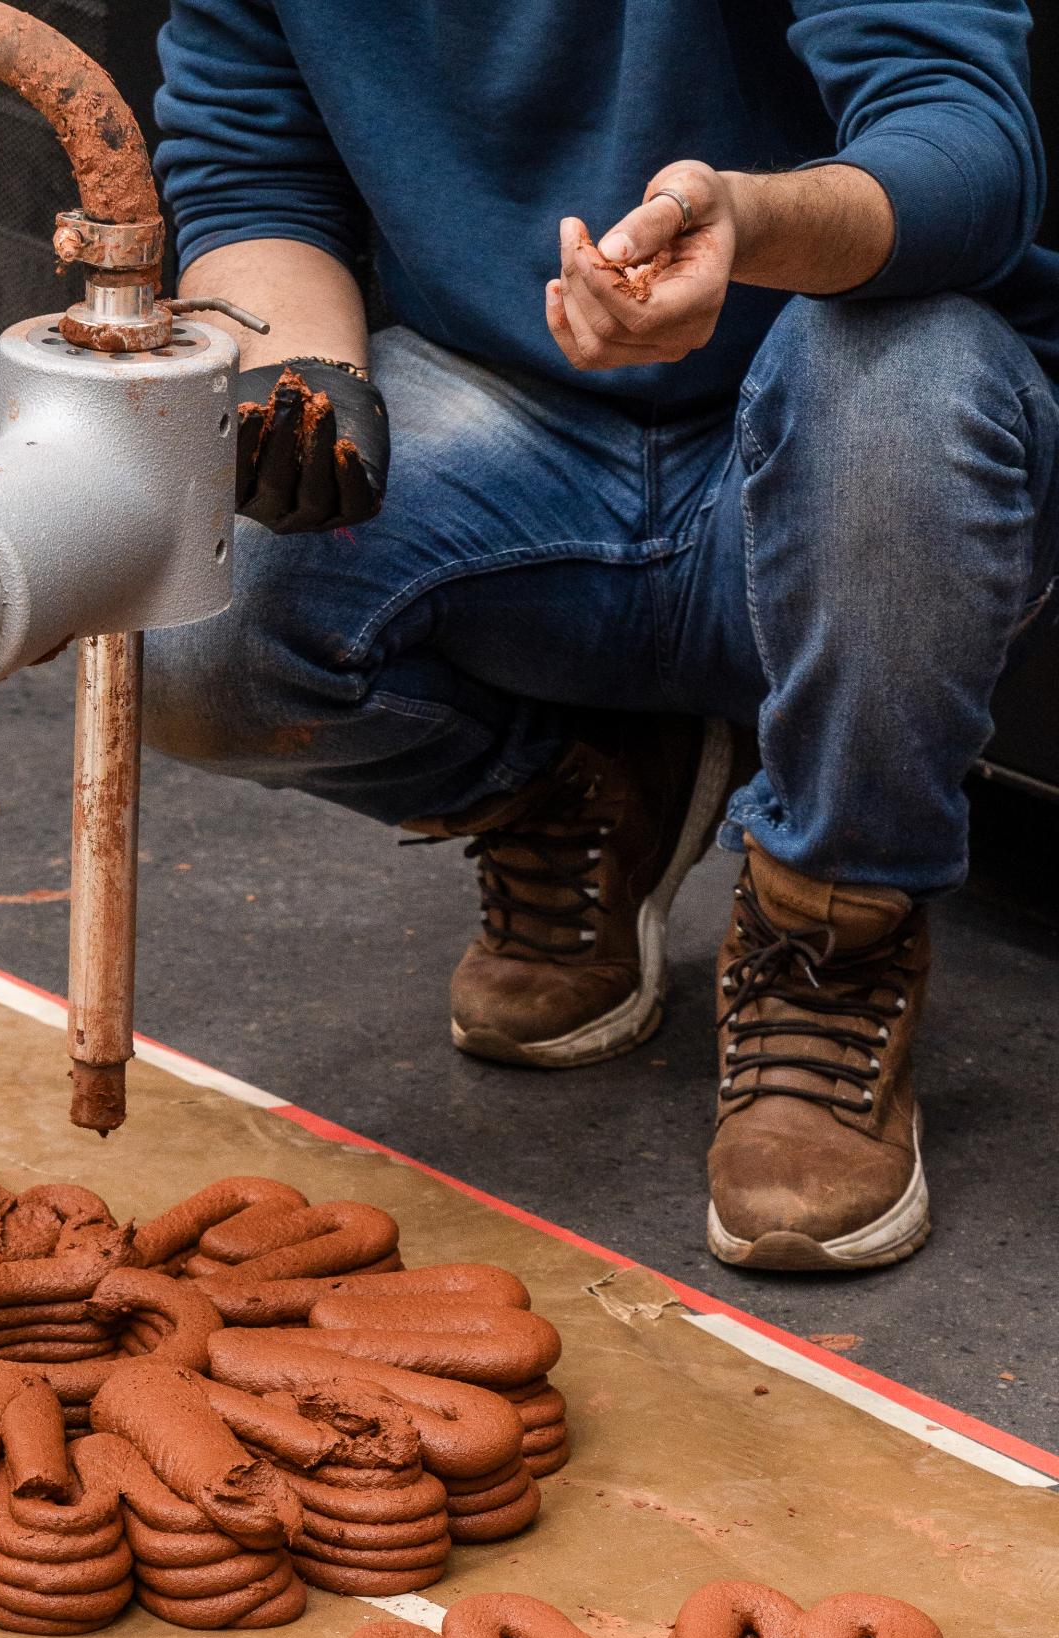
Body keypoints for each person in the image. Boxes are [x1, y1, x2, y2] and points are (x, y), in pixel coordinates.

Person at [145, 2, 1059, 1272]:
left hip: (837, 389)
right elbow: (251, 174)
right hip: (505, 407)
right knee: (191, 623)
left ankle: (829, 943)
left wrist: (752, 224)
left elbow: (969, 145)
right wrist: (300, 384)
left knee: (908, 389)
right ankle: (579, 800)